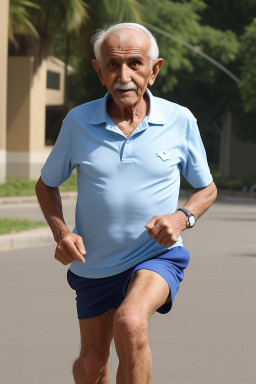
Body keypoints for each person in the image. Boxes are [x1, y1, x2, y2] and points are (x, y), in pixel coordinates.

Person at [35, 22, 217, 384]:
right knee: (92, 364)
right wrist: (62, 233)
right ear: (98, 71)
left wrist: (181, 218)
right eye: (113, 65)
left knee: (130, 323)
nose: (124, 75)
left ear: (155, 69)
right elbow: (46, 186)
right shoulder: (77, 122)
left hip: (156, 256)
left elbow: (206, 189)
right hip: (94, 264)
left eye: (135, 63)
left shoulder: (179, 120)